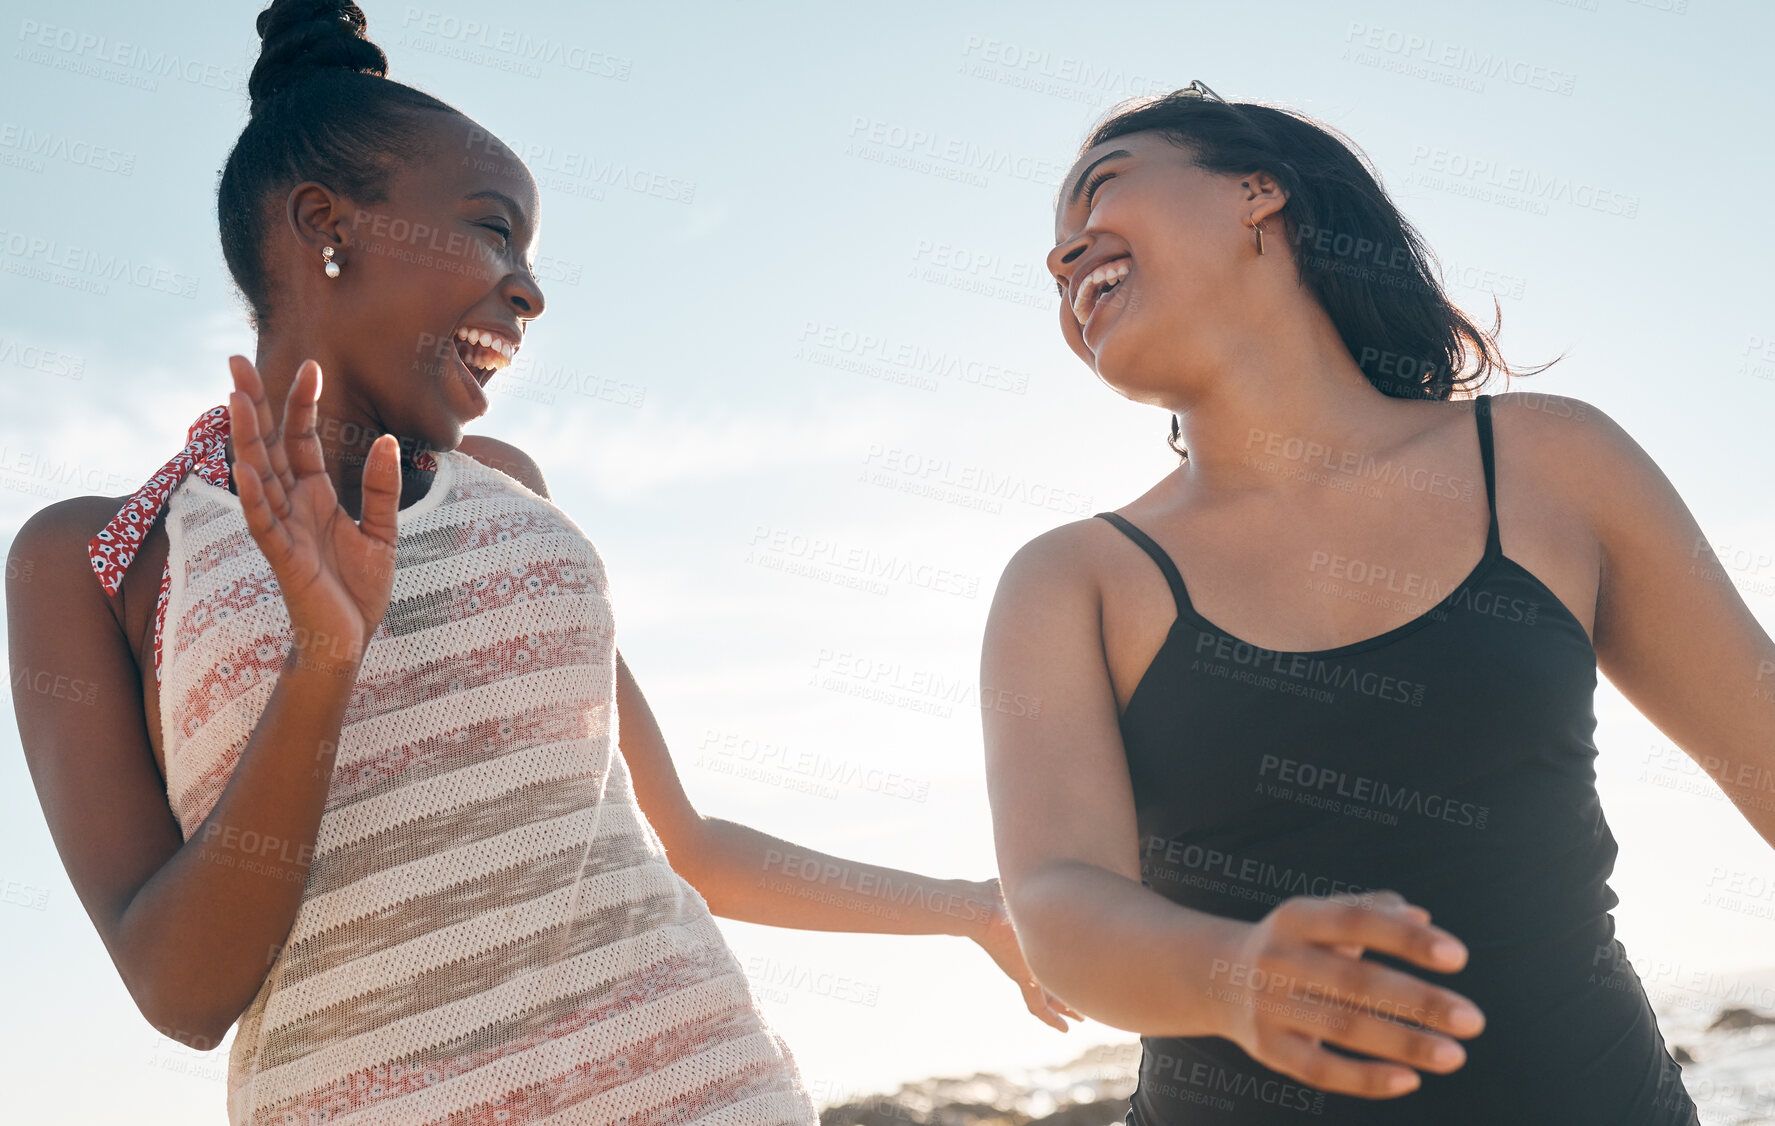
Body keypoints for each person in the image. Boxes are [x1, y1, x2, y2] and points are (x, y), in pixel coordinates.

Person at [5, 3, 1075, 1124]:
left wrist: (972, 905)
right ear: (328, 228)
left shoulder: (510, 484)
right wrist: (322, 658)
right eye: (491, 231)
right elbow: (183, 992)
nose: (528, 287)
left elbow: (691, 846)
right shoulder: (101, 555)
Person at [979, 80, 1760, 1124]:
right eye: (1053, 245)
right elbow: (1056, 904)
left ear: (1258, 192)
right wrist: (1232, 972)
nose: (1062, 253)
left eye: (1099, 192)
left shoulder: (1549, 462)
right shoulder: (1068, 579)